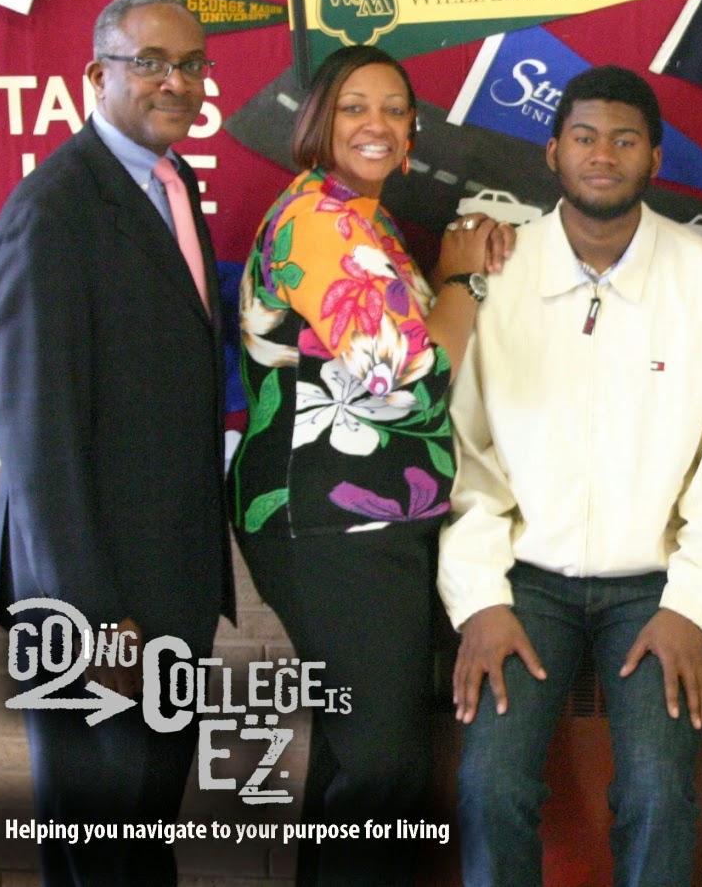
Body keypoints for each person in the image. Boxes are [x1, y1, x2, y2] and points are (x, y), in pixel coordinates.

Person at [438, 65, 702, 887]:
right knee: (490, 782)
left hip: (657, 587)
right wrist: (480, 598)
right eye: (584, 137)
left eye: (624, 140)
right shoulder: (500, 273)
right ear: (552, 150)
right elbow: (466, 454)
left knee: (658, 792)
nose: (602, 155)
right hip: (526, 583)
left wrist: (694, 607)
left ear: (654, 157)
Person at [228, 43, 508, 886]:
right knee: (383, 764)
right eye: (354, 107)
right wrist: (462, 282)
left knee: (359, 758)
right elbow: (409, 376)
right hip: (328, 520)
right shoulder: (322, 219)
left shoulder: (363, 217)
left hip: (366, 518)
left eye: (393, 109)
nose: (376, 124)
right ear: (319, 122)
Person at [0, 0, 235, 885]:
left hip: (169, 593)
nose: (177, 83)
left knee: (142, 834)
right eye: (150, 63)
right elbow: (35, 437)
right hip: (98, 606)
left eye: (192, 65)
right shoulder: (52, 211)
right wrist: (91, 621)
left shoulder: (172, 183)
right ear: (98, 75)